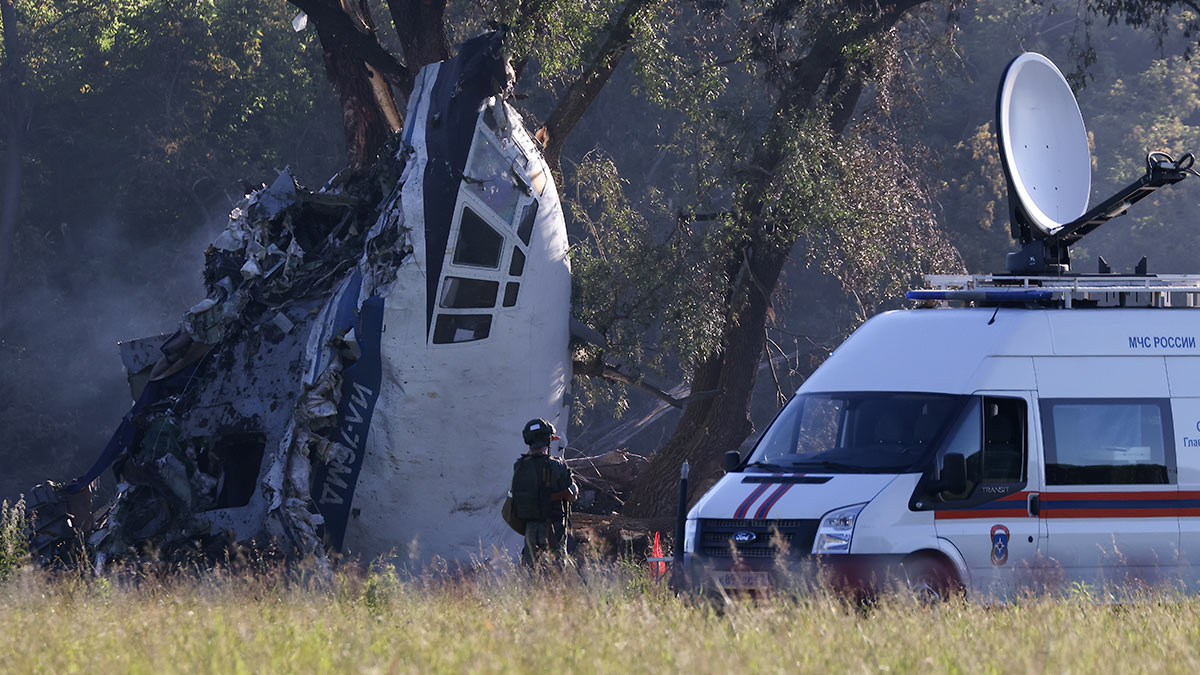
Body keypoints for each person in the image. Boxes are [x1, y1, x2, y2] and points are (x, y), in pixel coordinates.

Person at [509, 418, 577, 567]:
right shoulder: (557, 466)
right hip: (554, 528)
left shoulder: (519, 466)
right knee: (556, 572)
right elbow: (572, 496)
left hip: (530, 528)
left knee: (530, 571)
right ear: (548, 441)